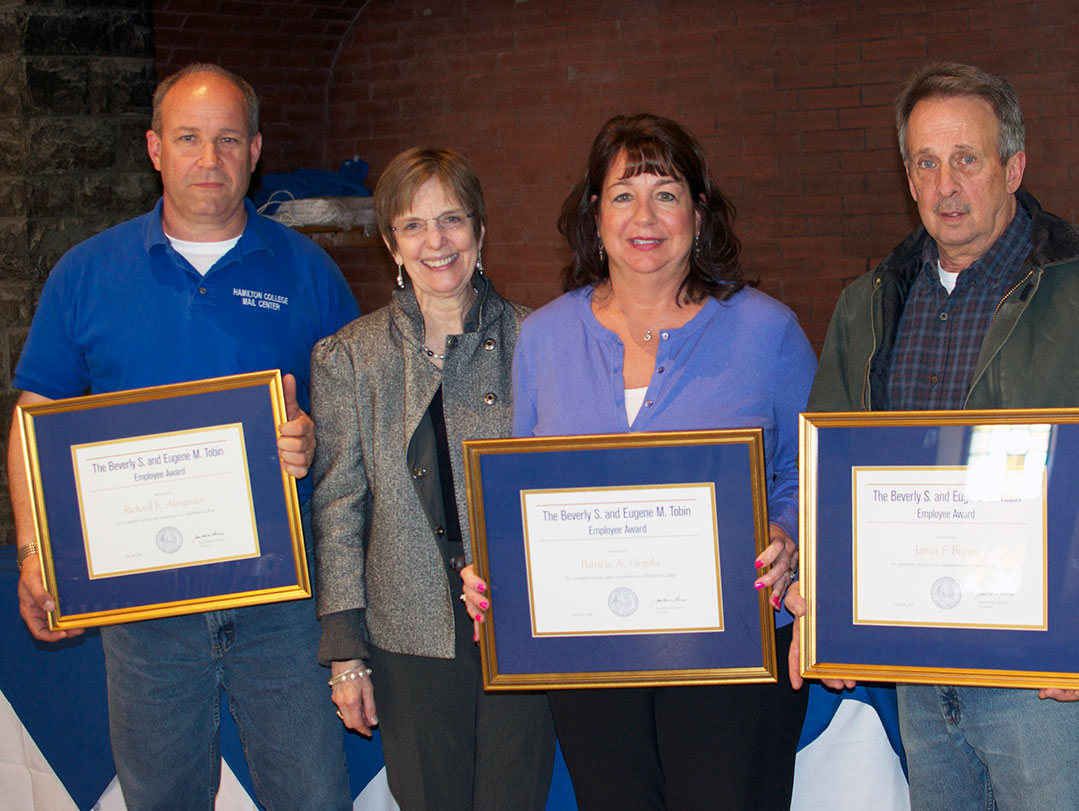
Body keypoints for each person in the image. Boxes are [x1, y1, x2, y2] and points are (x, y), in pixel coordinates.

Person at [787, 62, 1079, 810]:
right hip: (916, 675)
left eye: (967, 160)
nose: (946, 185)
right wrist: (825, 599)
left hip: (1045, 682)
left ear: (1014, 166)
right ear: (907, 178)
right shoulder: (869, 304)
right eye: (925, 162)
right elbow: (833, 480)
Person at [8, 64, 358, 809]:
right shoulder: (86, 274)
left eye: (228, 139)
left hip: (283, 604)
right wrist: (36, 547)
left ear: (256, 149)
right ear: (154, 148)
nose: (209, 159)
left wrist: (313, 439)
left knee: (313, 796)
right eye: (189, 138)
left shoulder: (310, 272)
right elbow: (32, 421)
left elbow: (352, 428)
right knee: (162, 798)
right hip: (143, 612)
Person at [462, 114, 817, 810]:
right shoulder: (544, 337)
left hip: (733, 654)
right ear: (595, 214)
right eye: (623, 194)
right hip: (592, 654)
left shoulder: (766, 330)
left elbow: (808, 472)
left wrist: (787, 535)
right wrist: (496, 566)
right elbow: (523, 490)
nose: (644, 216)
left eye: (667, 192)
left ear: (700, 211)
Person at [310, 146, 556, 811]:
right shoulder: (348, 359)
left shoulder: (541, 340)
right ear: (392, 241)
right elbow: (338, 513)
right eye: (413, 224)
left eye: (451, 219)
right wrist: (346, 655)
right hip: (405, 627)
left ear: (479, 230)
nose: (436, 241)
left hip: (521, 620)